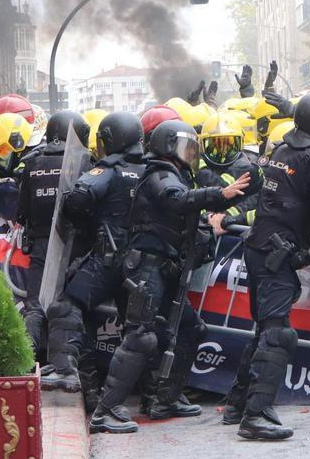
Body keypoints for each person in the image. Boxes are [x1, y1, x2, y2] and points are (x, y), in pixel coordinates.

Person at [88, 120, 250, 434]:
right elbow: (175, 199)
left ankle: (164, 399)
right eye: (185, 146)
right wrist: (220, 193)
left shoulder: (177, 175)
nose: (191, 153)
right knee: (141, 337)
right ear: (167, 145)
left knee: (189, 329)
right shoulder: (159, 174)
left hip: (164, 269)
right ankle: (105, 410)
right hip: (147, 268)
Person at [226, 92, 310, 441]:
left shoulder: (283, 151)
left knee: (265, 330)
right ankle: (255, 415)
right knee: (278, 334)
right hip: (277, 257)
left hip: (258, 249)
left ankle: (239, 403)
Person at [42, 112, 145, 412]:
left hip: (109, 259)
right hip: (143, 265)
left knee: (66, 307)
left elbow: (78, 198)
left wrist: (87, 220)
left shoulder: (109, 170)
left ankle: (65, 371)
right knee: (141, 330)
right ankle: (157, 396)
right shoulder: (151, 169)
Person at [15, 110, 92, 357]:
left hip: (40, 242)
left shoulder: (32, 163)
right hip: (74, 244)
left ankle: (27, 357)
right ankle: (66, 361)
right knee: (68, 304)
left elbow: (21, 211)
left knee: (35, 304)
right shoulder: (84, 162)